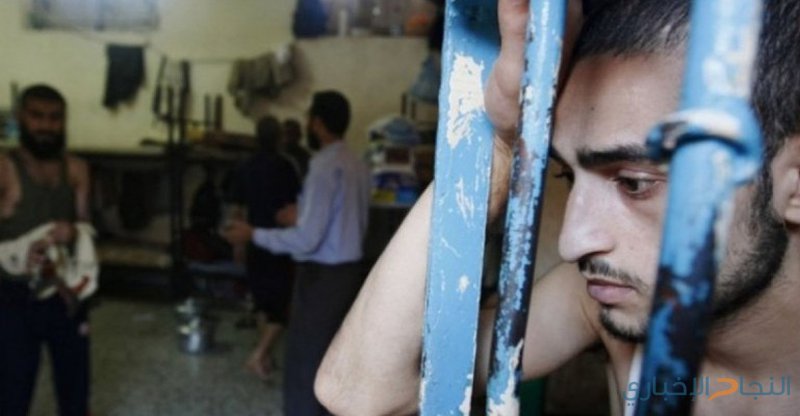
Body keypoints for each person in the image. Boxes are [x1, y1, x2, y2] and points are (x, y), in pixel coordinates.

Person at [314, 0, 800, 415]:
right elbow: (359, 393)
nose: (571, 242)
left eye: (635, 183)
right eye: (566, 174)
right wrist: (502, 144)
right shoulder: (608, 297)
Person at [224, 90, 371, 416]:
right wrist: (301, 214)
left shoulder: (324, 166)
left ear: (317, 123)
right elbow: (338, 218)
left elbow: (307, 240)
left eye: (308, 119)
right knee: (335, 354)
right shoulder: (358, 163)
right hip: (350, 272)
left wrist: (253, 234)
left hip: (323, 277)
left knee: (307, 359)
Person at [0, 84, 92, 415]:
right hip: (14, 295)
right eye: (37, 116)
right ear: (20, 118)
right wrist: (16, 253)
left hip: (64, 291)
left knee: (75, 388)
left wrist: (75, 232)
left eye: (55, 118)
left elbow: (87, 231)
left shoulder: (77, 168)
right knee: (13, 391)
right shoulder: (4, 167)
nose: (46, 126)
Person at [226, 115, 302, 380]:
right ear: (279, 138)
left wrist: (238, 244)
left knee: (261, 301)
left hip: (251, 239)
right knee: (280, 306)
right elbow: (295, 208)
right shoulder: (286, 167)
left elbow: (236, 209)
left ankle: (264, 354)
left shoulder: (244, 166)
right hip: (280, 241)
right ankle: (259, 354)